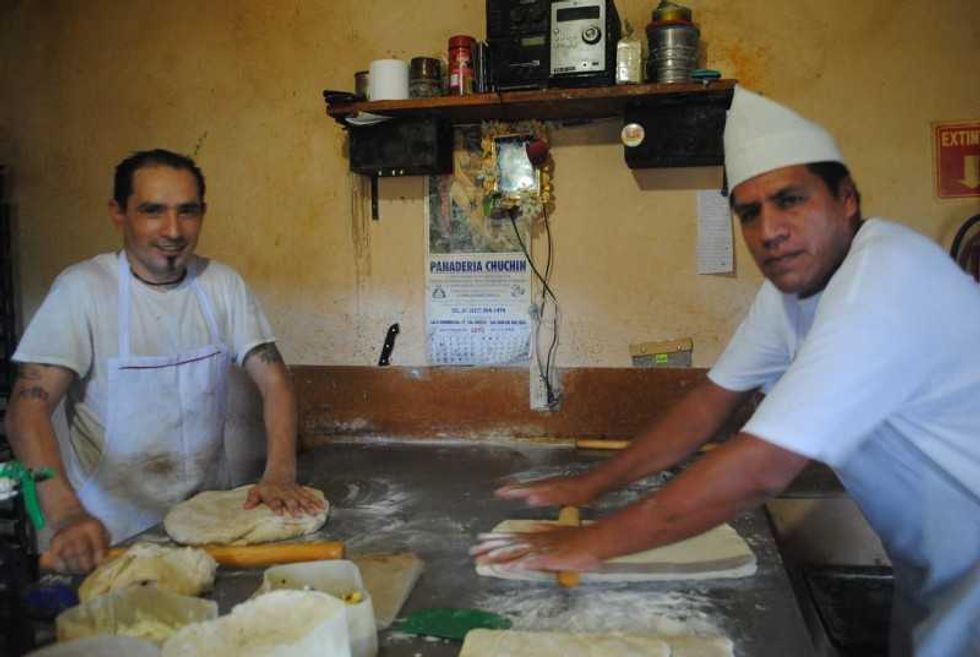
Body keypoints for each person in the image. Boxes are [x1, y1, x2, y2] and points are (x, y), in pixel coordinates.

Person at [472, 87, 980, 656]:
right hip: (936, 572)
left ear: (846, 200)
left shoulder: (884, 279)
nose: (769, 230)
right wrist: (590, 484)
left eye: (790, 200)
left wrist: (593, 543)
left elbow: (762, 469)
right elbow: (708, 405)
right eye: (750, 212)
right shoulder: (792, 291)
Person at [5, 149, 324, 573]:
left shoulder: (221, 285)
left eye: (187, 211)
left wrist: (280, 473)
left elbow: (275, 382)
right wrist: (66, 515)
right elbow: (26, 412)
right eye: (153, 211)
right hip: (109, 538)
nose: (173, 230)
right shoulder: (83, 291)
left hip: (211, 530)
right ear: (118, 213)